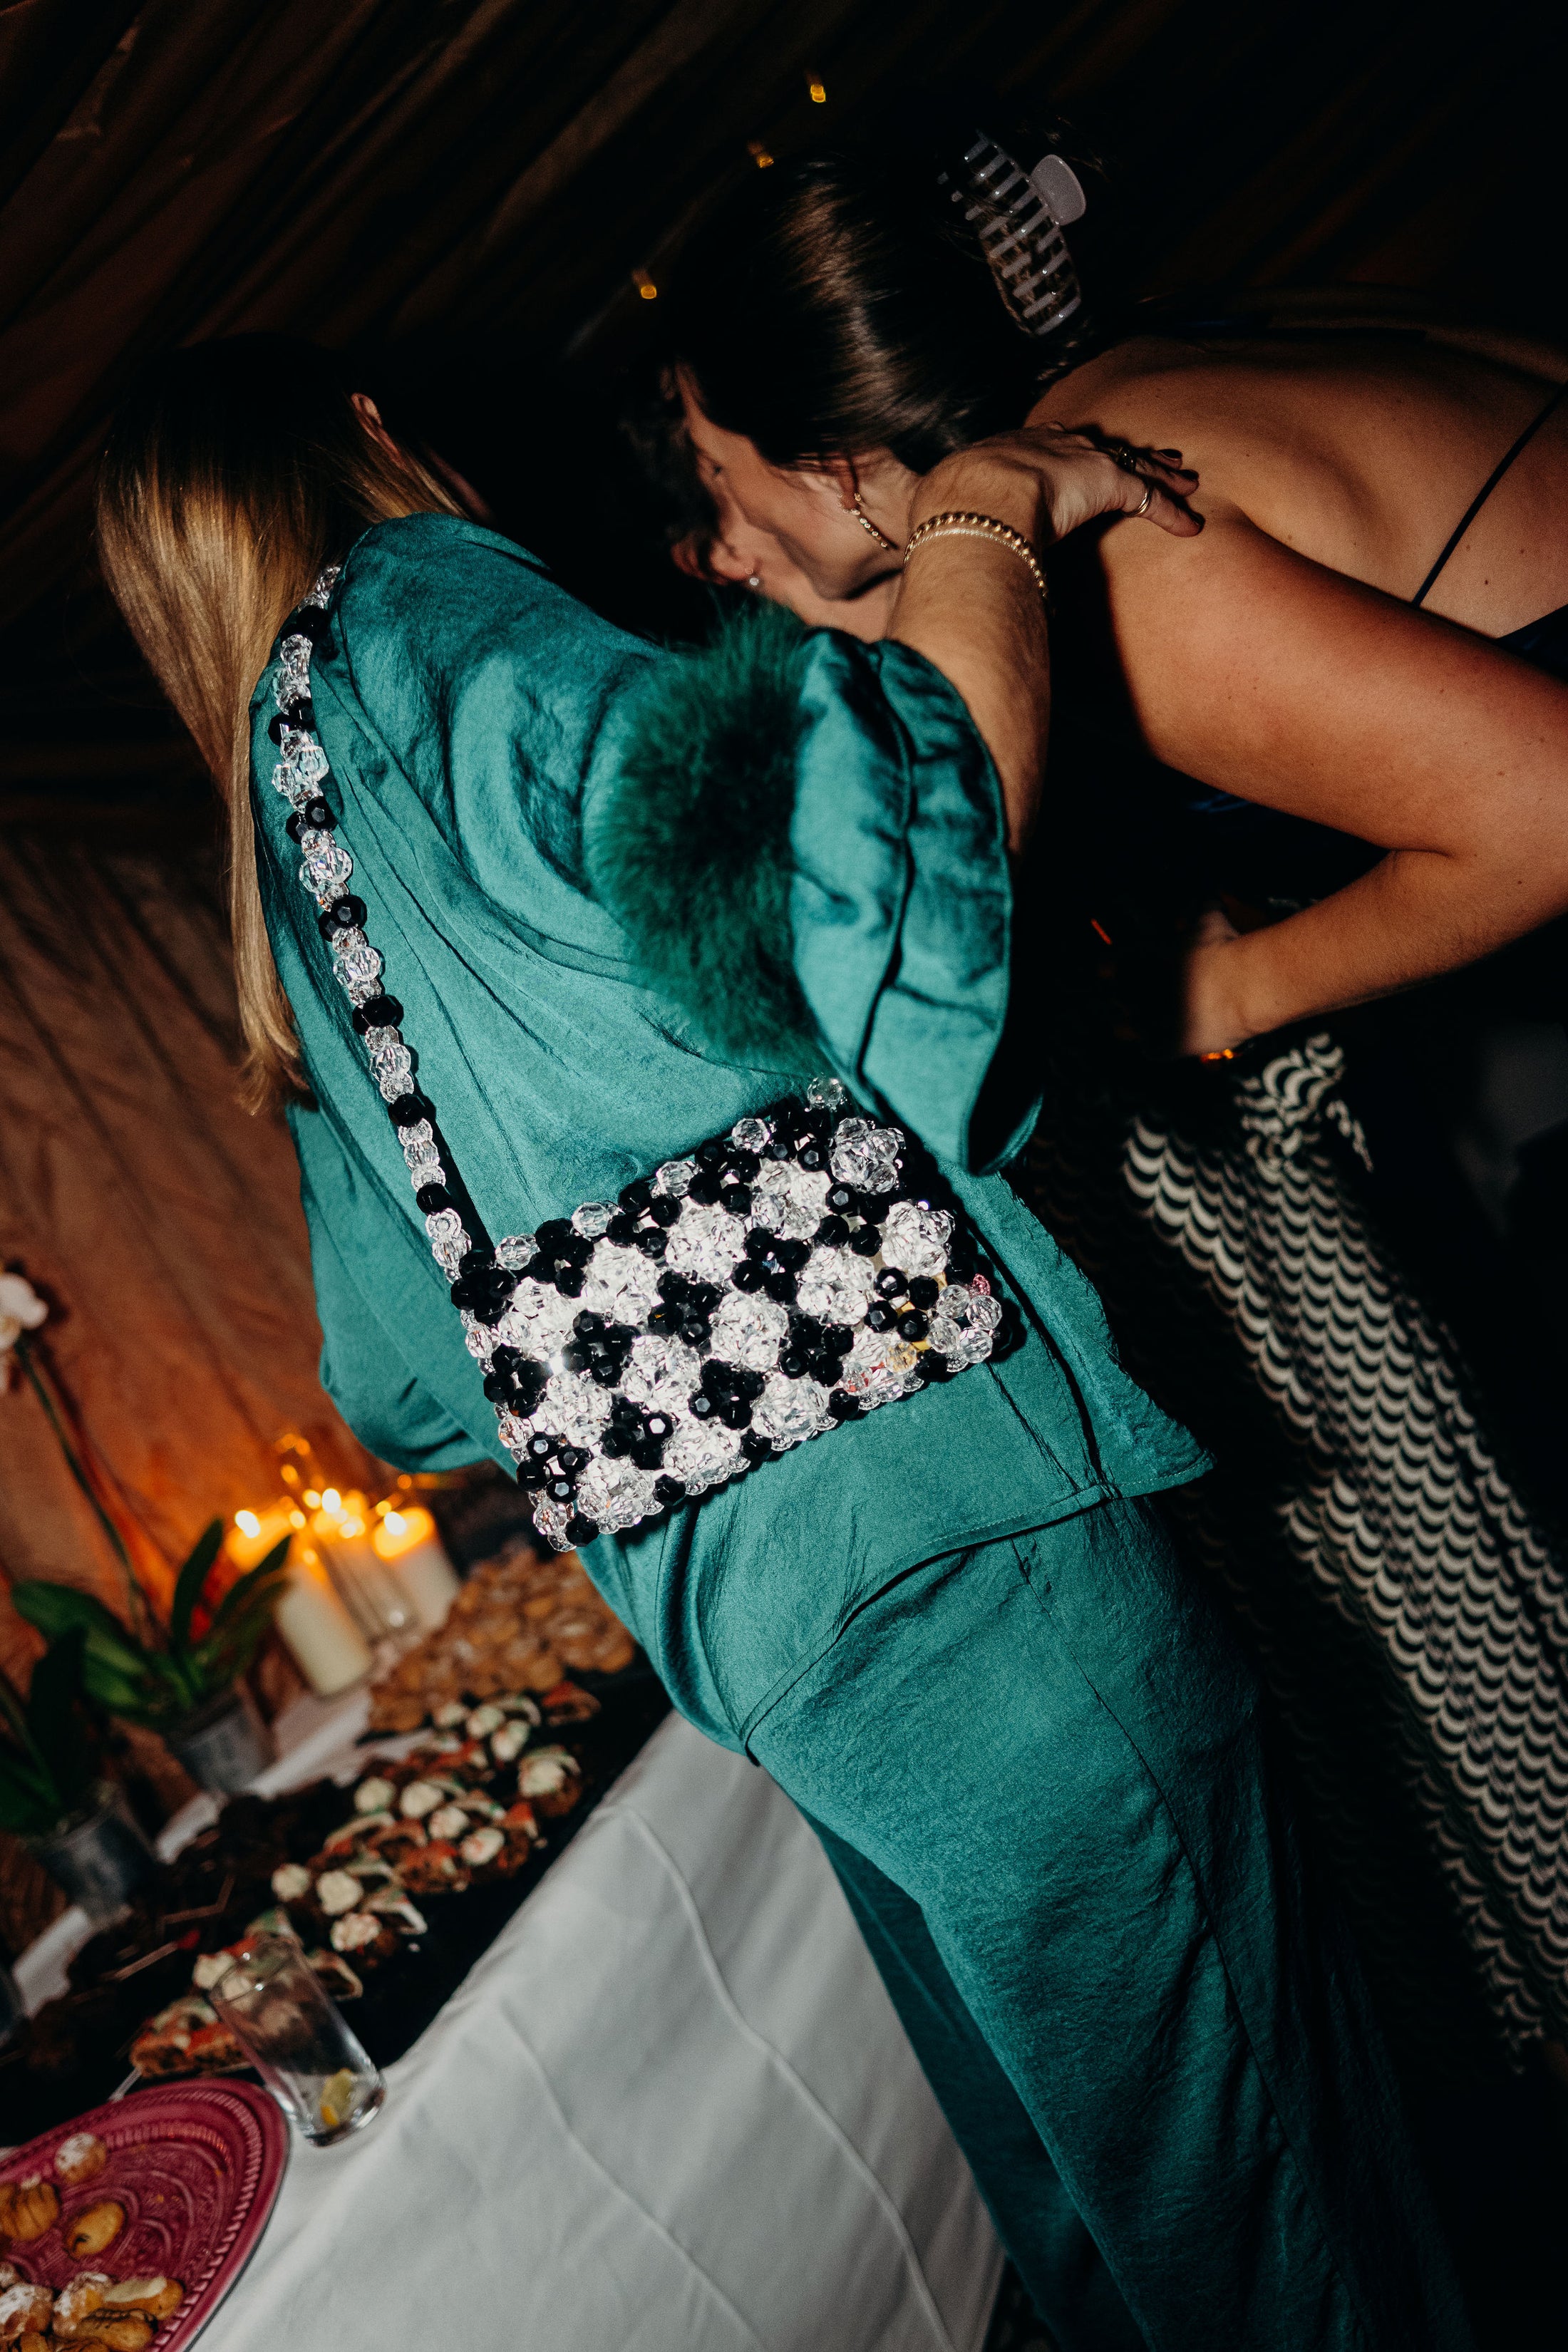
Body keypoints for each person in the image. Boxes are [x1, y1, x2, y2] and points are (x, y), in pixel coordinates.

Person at [96, 336, 1475, 2352]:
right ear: (380, 432)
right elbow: (875, 853)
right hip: (968, 1564)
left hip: (785, 1649)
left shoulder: (289, 865)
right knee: (1290, 2230)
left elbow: (395, 1372)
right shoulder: (418, 608)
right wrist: (984, 507)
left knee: (1116, 2253)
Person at [641, 127, 1568, 2110]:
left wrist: (1234, 990)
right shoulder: (1142, 391)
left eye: (719, 490)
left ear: (834, 466)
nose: (714, 552)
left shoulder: (1123, 555)